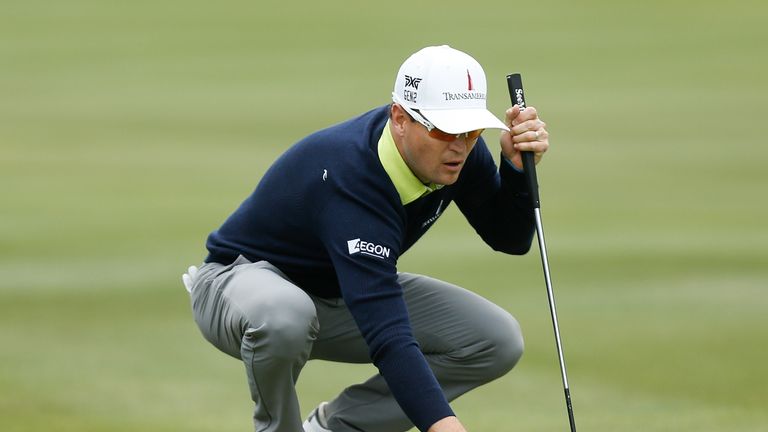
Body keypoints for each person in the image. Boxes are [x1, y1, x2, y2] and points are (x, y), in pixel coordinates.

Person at [182, 45, 550, 432]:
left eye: (472, 130)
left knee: (495, 339)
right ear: (400, 118)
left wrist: (513, 168)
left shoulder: (456, 154)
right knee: (286, 315)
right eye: (444, 129)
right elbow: (387, 335)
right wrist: (446, 427)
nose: (459, 144)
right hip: (236, 288)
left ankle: (331, 428)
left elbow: (510, 238)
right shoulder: (352, 177)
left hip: (337, 293)